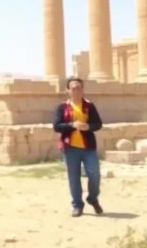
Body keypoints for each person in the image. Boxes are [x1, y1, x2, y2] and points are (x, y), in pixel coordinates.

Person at [52, 77, 104, 217]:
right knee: (74, 178)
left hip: (88, 148)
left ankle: (92, 198)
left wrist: (88, 126)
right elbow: (57, 126)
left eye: (79, 88)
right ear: (68, 90)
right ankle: (77, 205)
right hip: (70, 148)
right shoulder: (62, 107)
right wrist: (72, 125)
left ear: (82, 89)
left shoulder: (89, 106)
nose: (76, 90)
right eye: (73, 88)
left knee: (94, 174)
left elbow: (98, 124)